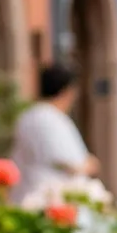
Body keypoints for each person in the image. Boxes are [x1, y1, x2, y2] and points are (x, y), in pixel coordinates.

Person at [12, 61, 97, 205]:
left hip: (26, 193)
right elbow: (70, 163)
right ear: (67, 92)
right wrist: (89, 164)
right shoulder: (53, 120)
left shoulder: (27, 116)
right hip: (52, 199)